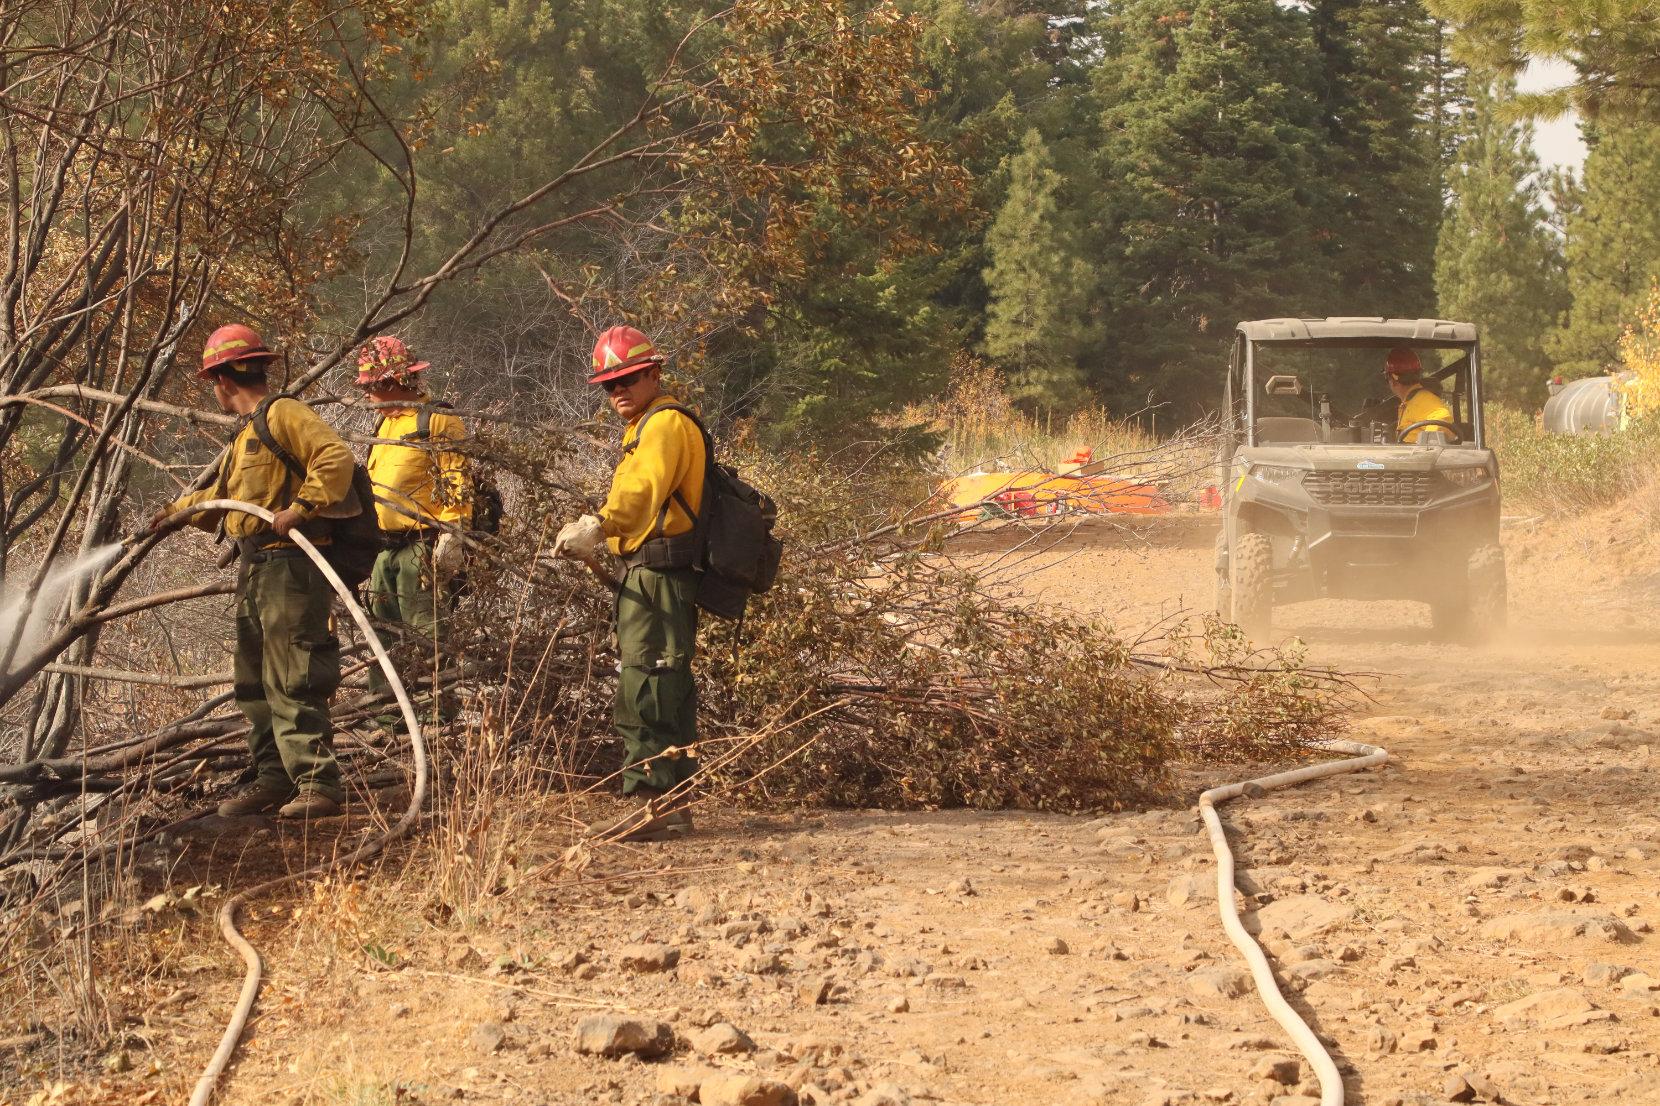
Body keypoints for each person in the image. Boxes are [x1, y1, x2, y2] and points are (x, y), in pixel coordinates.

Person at [150, 324, 355, 819]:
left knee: (294, 674)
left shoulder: (284, 414)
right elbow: (225, 499)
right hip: (256, 565)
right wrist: (176, 510)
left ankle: (317, 785)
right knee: (253, 679)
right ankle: (274, 780)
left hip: (292, 565)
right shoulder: (246, 434)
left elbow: (336, 455)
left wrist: (302, 508)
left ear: (222, 379)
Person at [554, 325, 706, 842]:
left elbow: (641, 492)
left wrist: (599, 525)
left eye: (630, 378)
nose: (618, 390)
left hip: (659, 575)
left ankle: (648, 804)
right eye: (608, 384)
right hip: (655, 572)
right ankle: (675, 803)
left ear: (654, 372)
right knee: (668, 684)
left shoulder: (663, 425)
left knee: (645, 684)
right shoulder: (648, 424)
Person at [356, 336, 471, 705]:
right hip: (382, 550)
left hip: (420, 548)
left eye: (370, 387)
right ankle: (387, 718)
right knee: (382, 638)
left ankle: (436, 718)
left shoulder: (436, 418)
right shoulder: (382, 424)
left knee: (428, 638)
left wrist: (452, 537)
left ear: (390, 383)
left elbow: (457, 480)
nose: (366, 395)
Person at [1384, 347, 1454, 444]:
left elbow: (1442, 419)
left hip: (1419, 458)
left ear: (1393, 381)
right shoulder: (1410, 401)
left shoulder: (1423, 401)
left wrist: (1428, 444)